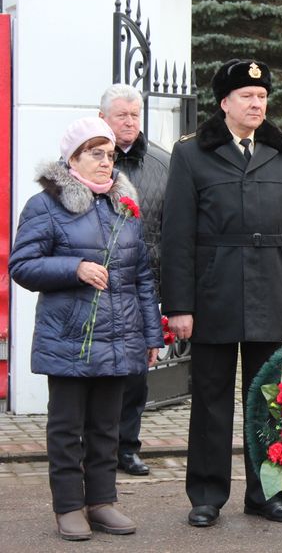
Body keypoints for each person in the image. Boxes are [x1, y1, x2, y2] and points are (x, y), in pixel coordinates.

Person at [161, 59, 282, 527]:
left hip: (271, 289)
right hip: (213, 290)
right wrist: (179, 306)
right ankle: (207, 495)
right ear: (225, 103)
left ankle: (265, 492)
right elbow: (177, 235)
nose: (257, 104)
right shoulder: (191, 154)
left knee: (266, 399)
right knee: (210, 399)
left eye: (263, 96)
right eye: (247, 97)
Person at [9, 117, 163, 540]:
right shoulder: (46, 204)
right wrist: (74, 268)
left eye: (110, 154)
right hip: (69, 340)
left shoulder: (123, 205)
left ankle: (102, 501)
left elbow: (142, 277)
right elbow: (21, 265)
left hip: (117, 340)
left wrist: (151, 335)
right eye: (95, 153)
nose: (105, 162)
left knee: (106, 428)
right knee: (66, 429)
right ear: (72, 158)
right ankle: (68, 507)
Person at [99, 83, 171, 477]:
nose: (128, 122)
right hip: (97, 286)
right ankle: (95, 448)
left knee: (136, 376)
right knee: (98, 373)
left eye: (134, 115)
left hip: (145, 287)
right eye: (120, 115)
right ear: (102, 119)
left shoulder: (163, 163)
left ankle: (127, 447)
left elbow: (174, 229)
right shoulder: (85, 159)